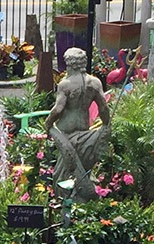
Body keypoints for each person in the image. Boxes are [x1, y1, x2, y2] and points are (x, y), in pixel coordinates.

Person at [41, 47, 112, 202]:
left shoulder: (65, 84)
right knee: (82, 169)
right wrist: (106, 125)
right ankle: (82, 203)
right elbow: (103, 108)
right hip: (85, 133)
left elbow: (58, 108)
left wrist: (48, 123)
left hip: (66, 134)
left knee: (64, 172)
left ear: (70, 65)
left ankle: (67, 205)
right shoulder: (94, 83)